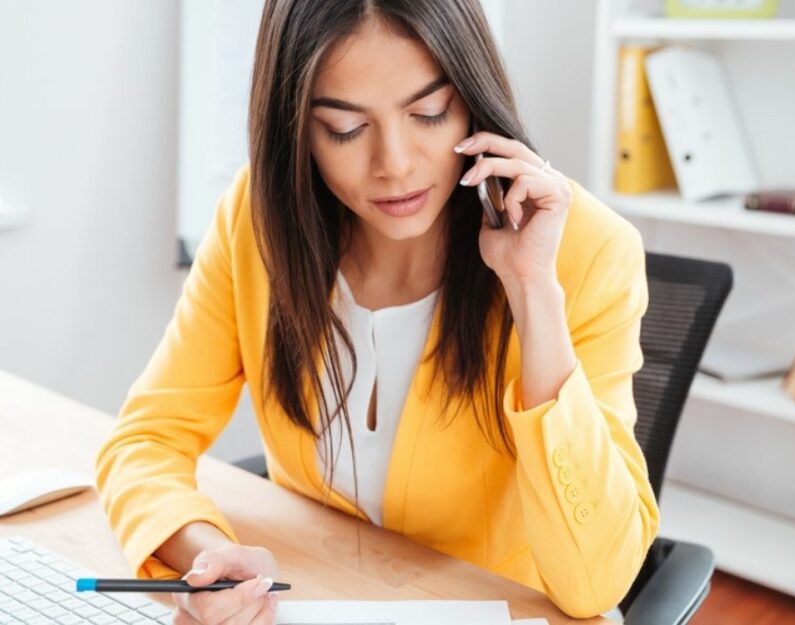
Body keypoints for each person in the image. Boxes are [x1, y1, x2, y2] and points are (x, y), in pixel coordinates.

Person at [96, 0, 660, 622]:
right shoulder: (256, 220)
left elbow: (595, 583)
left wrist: (532, 290)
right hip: (316, 596)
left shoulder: (585, 250)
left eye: (429, 113)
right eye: (345, 128)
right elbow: (146, 439)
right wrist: (212, 558)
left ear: (472, 99)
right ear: (296, 130)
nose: (395, 163)